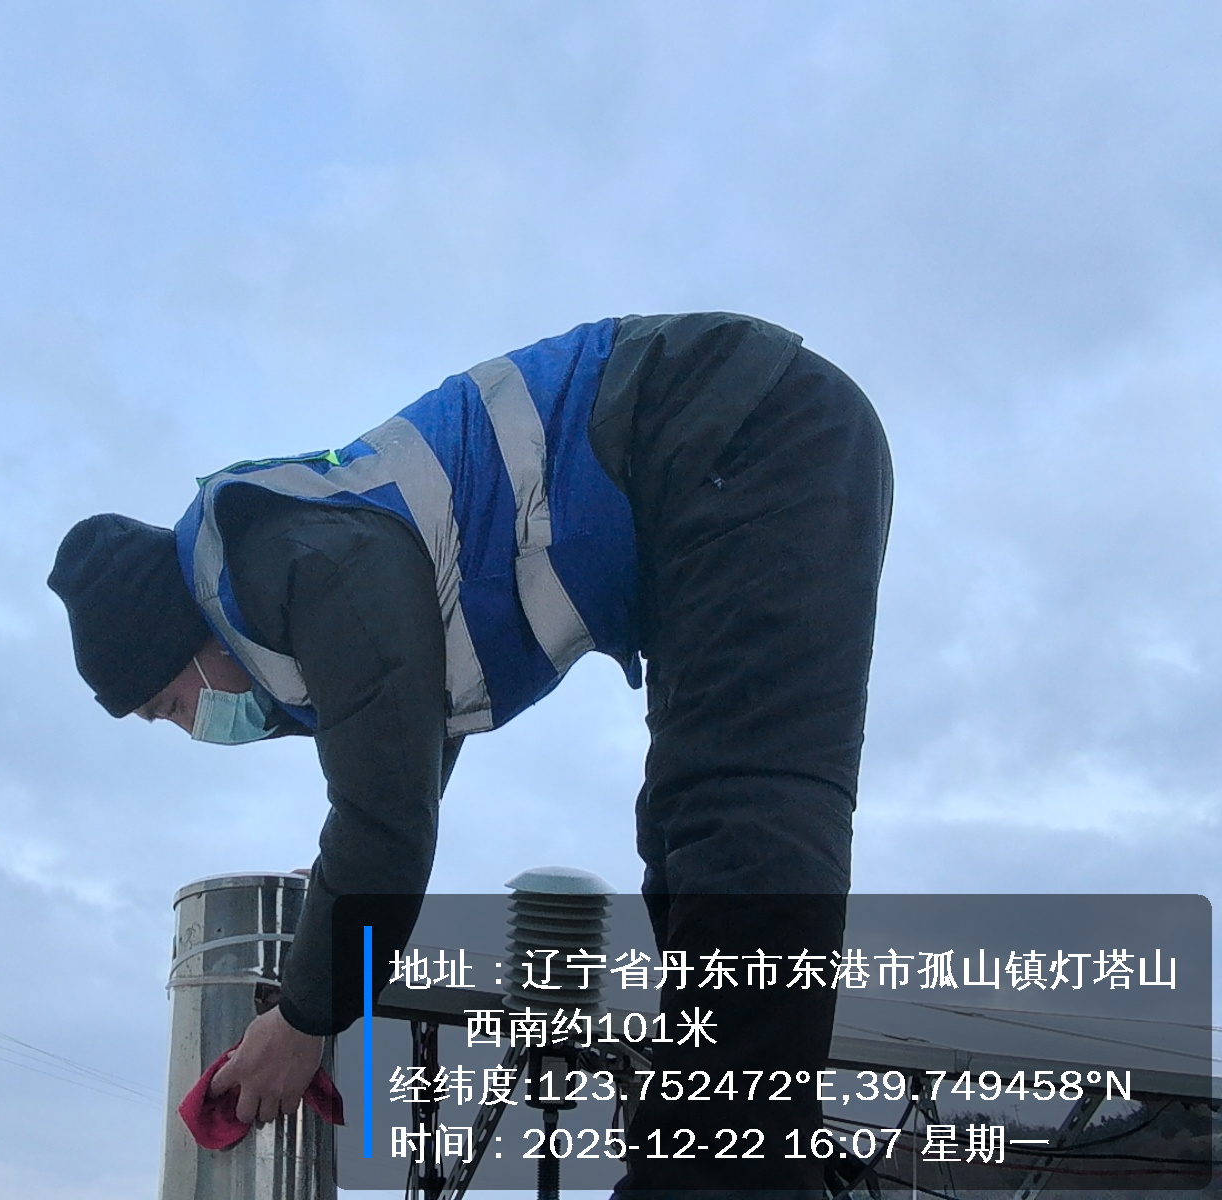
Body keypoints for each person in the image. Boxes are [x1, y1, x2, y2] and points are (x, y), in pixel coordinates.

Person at [48, 313, 892, 1195]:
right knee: (687, 832)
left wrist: (302, 1021)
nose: (191, 727)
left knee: (741, 805)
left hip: (735, 422)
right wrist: (327, 931)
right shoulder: (307, 553)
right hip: (717, 458)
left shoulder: (296, 561)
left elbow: (385, 820)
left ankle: (727, 1172)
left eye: (170, 706)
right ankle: (714, 1150)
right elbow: (397, 775)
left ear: (190, 639)